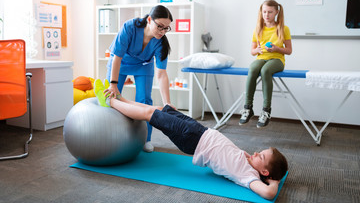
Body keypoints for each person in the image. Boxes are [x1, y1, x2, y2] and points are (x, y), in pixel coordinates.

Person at [94, 79, 288, 200]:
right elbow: (233, 157)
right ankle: (122, 99)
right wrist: (250, 158)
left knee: (149, 113)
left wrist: (274, 183)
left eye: (260, 156)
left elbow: (269, 193)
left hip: (192, 139)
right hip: (199, 131)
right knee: (162, 109)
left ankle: (110, 102)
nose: (256, 153)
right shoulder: (250, 165)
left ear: (264, 172)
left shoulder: (250, 177)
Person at [105, 5, 175, 152]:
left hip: (143, 65)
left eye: (166, 28)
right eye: (160, 27)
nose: (163, 32)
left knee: (144, 100)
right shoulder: (130, 27)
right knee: (111, 98)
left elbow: (161, 74)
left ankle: (145, 139)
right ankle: (109, 135)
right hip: (121, 62)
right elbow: (117, 57)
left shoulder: (161, 43)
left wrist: (167, 103)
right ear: (149, 20)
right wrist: (113, 84)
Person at [239, 0, 292, 128]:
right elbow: (252, 51)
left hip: (277, 60)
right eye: (264, 12)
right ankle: (248, 108)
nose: (266, 15)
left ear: (276, 12)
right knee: (252, 69)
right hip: (261, 58)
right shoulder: (258, 29)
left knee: (265, 71)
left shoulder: (283, 28)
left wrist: (276, 48)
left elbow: (289, 50)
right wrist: (257, 50)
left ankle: (266, 110)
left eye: (270, 12)